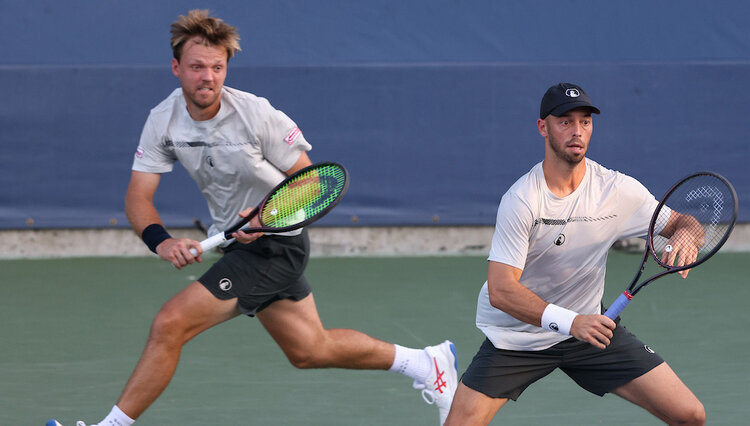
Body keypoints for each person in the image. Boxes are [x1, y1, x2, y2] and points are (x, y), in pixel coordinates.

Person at [48, 9, 456, 426]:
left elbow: (312, 181)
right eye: (196, 67)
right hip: (234, 240)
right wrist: (162, 241)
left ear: (226, 69)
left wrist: (264, 218)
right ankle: (427, 364)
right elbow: (138, 198)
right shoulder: (163, 119)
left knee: (170, 324)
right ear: (176, 68)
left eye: (217, 67)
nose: (207, 77)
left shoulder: (256, 115)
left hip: (275, 243)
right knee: (309, 349)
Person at [444, 83, 706, 425]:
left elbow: (685, 223)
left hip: (591, 332)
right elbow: (501, 290)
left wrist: (687, 236)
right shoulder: (522, 199)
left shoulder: (617, 190)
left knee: (691, 415)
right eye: (565, 121)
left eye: (585, 121)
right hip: (519, 338)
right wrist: (572, 322)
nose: (577, 131)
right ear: (543, 127)